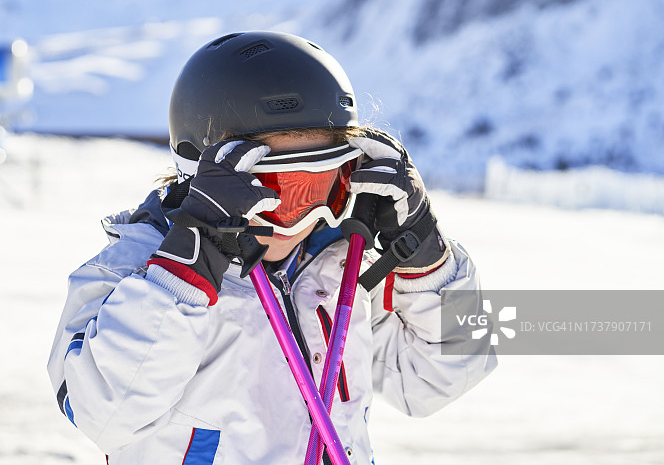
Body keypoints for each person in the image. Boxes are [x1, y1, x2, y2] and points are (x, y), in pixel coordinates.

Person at [47, 31, 496, 464]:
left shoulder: (341, 270)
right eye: (278, 189)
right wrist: (185, 271)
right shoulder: (131, 269)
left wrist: (427, 260)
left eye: (327, 186)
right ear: (207, 175)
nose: (306, 218)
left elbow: (441, 376)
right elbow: (102, 411)